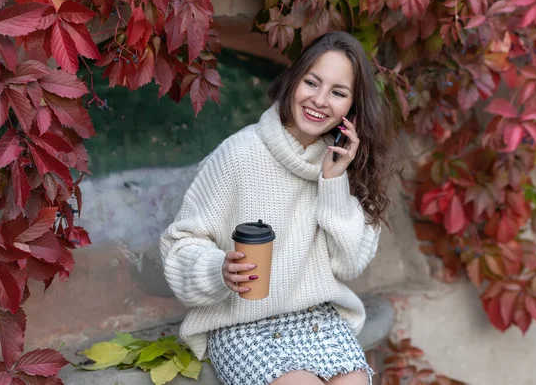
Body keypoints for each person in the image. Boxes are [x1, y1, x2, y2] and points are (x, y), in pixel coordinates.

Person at [160, 31, 396, 385]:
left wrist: (333, 183)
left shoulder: (346, 164)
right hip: (242, 324)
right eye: (312, 82)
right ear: (293, 81)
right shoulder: (238, 155)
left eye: (338, 92)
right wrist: (217, 270)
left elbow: (348, 265)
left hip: (316, 319)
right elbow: (180, 244)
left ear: (352, 108)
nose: (319, 100)